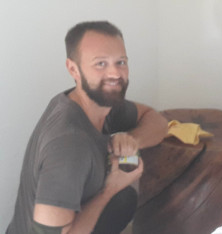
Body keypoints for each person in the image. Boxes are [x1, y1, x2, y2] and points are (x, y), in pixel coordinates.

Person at [6, 21, 168, 234]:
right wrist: (109, 189)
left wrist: (133, 139)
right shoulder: (69, 145)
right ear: (74, 69)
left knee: (125, 199)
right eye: (100, 63)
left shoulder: (100, 102)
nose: (115, 74)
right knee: (120, 196)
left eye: (121, 62)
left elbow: (157, 121)